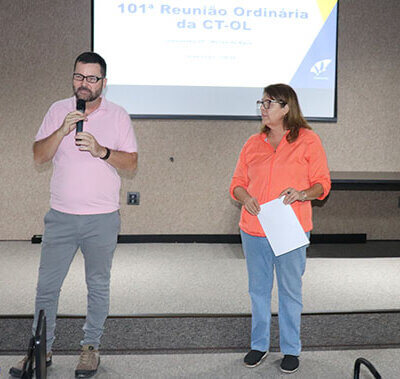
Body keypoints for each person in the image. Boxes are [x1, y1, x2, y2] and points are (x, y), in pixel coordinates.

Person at [10, 52, 138, 378]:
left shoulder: (118, 115)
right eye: (79, 77)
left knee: (97, 285)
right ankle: (42, 348)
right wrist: (60, 132)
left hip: (102, 218)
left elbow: (132, 164)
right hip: (61, 217)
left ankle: (90, 349)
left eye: (92, 78)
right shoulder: (57, 110)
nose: (84, 84)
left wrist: (102, 151)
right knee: (47, 287)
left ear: (103, 83)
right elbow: (39, 156)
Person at [230, 84, 330, 374]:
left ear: (286, 108)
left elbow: (323, 183)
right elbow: (236, 183)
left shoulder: (308, 140)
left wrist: (302, 193)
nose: (262, 108)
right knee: (258, 291)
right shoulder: (252, 143)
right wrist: (245, 197)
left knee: (290, 291)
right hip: (254, 228)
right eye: (261, 103)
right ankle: (259, 345)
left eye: (268, 103)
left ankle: (290, 349)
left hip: (290, 229)